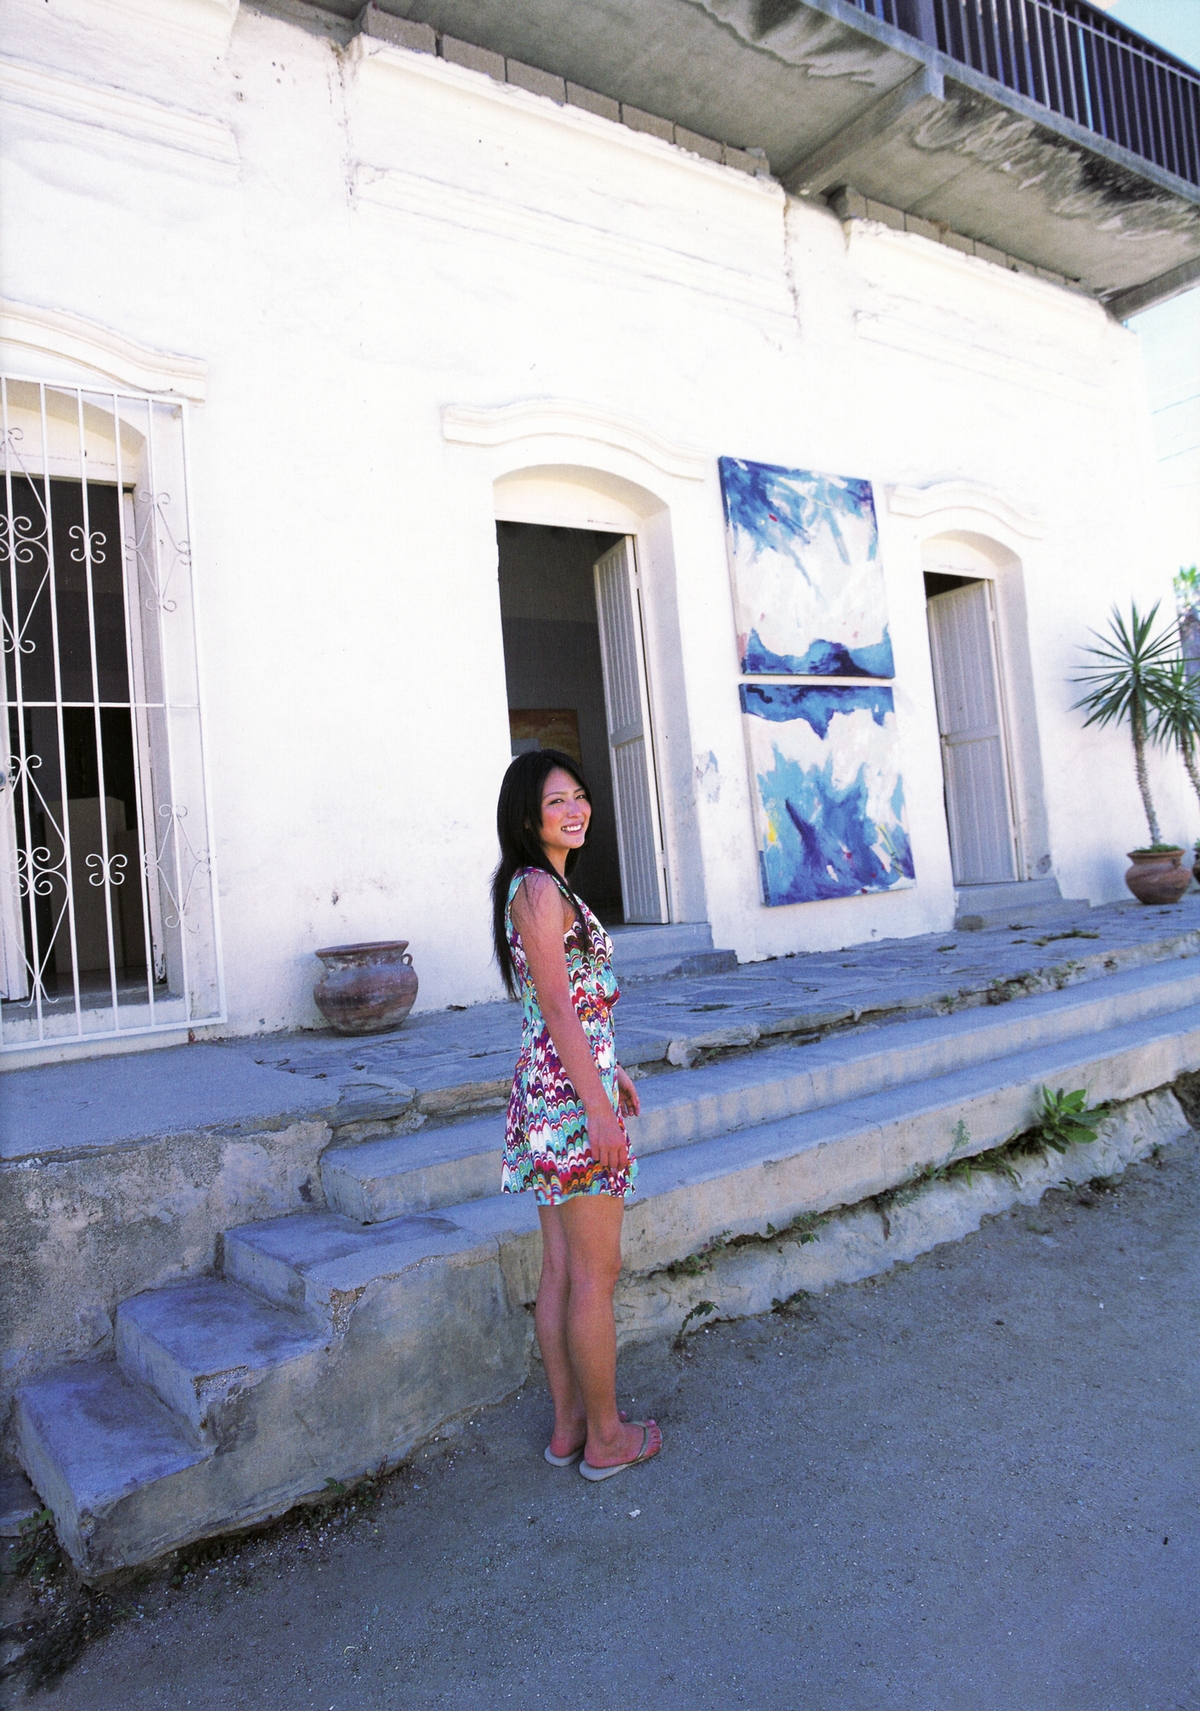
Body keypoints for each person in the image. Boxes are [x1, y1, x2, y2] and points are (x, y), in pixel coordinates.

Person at [492, 748, 662, 1482]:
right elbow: (558, 1006)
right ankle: (607, 1438)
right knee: (595, 1271)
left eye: (579, 796)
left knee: (563, 1267)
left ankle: (568, 1428)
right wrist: (598, 1107)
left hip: (550, 1088)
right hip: (568, 1103)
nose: (575, 809)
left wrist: (608, 1067)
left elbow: (561, 1005)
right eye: (556, 801)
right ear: (527, 816)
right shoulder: (538, 889)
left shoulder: (539, 887)